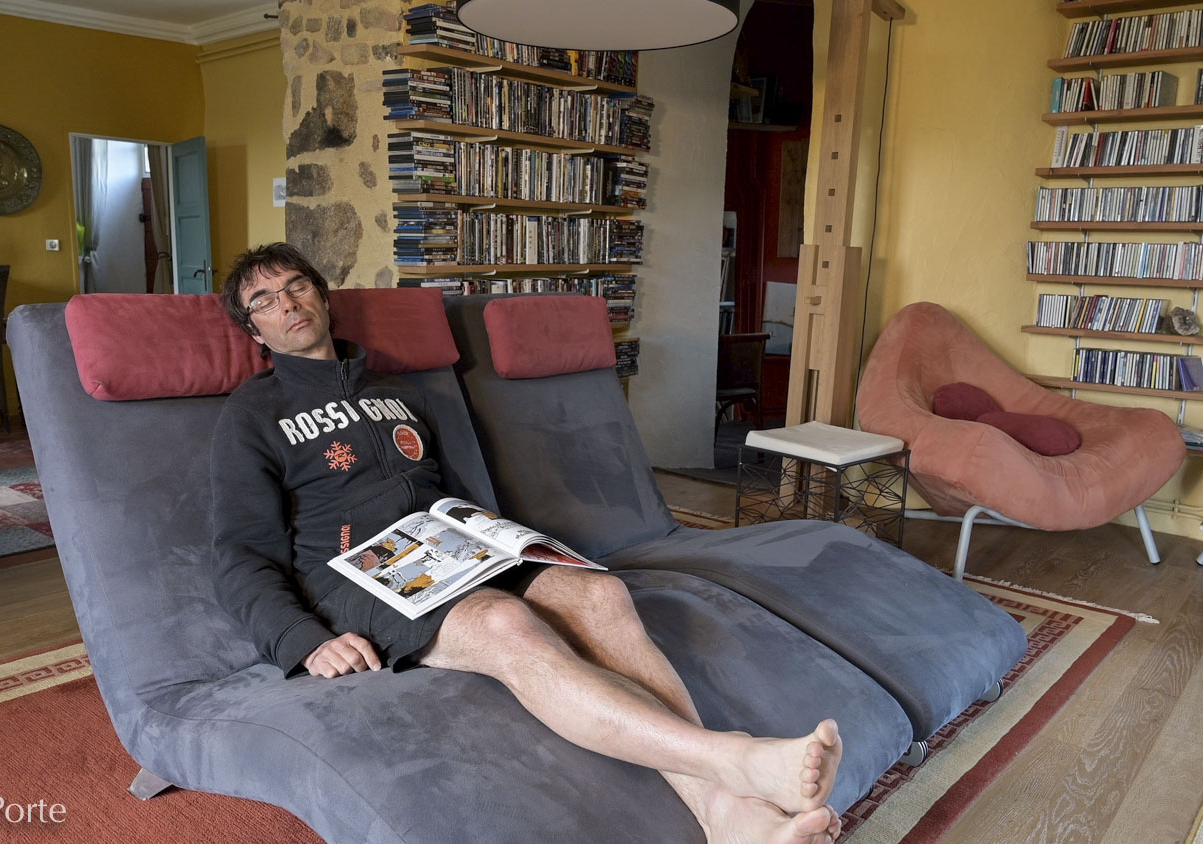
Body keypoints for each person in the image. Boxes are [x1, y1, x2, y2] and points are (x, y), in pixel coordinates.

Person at [211, 243, 845, 844]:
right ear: (255, 332)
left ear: (323, 298)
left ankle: (726, 814)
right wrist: (303, 640)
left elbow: (460, 495)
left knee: (601, 596)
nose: (287, 303)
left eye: (297, 286)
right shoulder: (253, 415)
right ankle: (736, 760)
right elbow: (240, 552)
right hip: (357, 575)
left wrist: (510, 544)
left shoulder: (401, 393)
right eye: (264, 300)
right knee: (505, 623)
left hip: (449, 548)